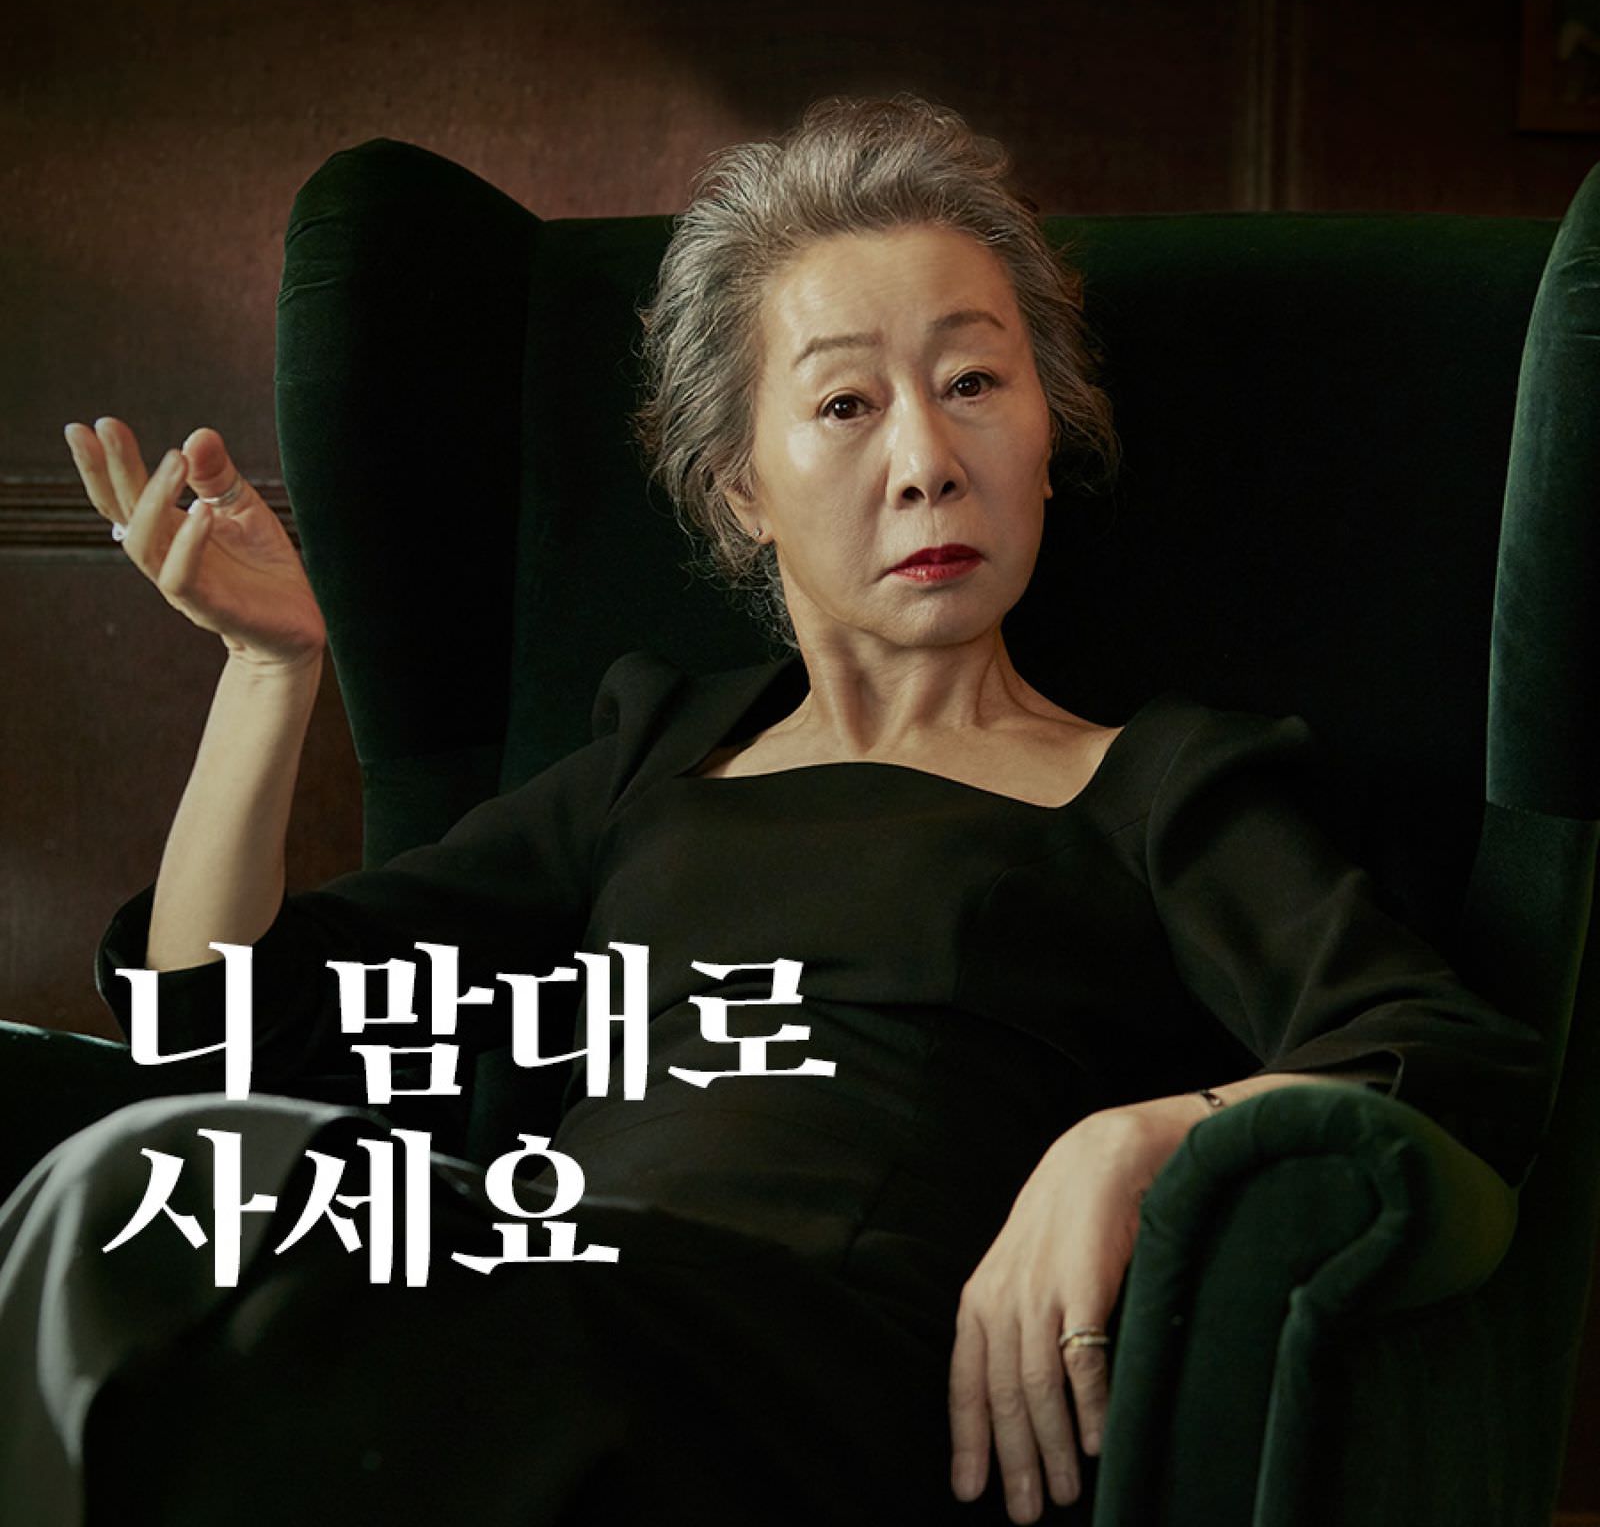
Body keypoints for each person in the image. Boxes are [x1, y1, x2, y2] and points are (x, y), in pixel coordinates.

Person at [1, 93, 1548, 1527]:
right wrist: (271, 670)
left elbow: (1446, 1062)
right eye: (847, 403)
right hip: (548, 1325)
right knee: (144, 1189)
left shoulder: (1158, 786)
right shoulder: (659, 755)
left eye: (973, 383)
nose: (928, 462)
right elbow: (217, 1029)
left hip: (828, 1388)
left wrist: (1136, 1142)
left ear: (1048, 435)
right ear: (741, 487)